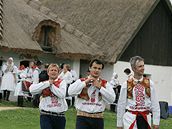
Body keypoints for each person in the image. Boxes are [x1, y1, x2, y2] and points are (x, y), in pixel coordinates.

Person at [68, 59, 116, 129]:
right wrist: (85, 83)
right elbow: (70, 92)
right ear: (90, 68)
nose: (97, 70)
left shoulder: (105, 84)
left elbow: (112, 99)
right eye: (95, 68)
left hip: (98, 118)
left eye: (99, 68)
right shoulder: (81, 81)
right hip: (82, 118)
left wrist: (100, 87)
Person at [117, 56, 160, 129]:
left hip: (145, 118)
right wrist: (119, 124)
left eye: (143, 66)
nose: (143, 68)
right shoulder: (126, 84)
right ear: (133, 68)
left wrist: (156, 122)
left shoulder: (150, 83)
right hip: (130, 119)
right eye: (140, 66)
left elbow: (155, 104)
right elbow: (121, 105)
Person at [29, 64, 68, 129]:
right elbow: (32, 90)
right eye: (51, 70)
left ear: (58, 73)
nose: (53, 72)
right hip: (46, 115)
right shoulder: (44, 83)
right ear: (48, 72)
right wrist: (47, 83)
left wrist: (51, 85)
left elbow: (62, 94)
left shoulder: (62, 82)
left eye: (55, 70)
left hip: (60, 116)